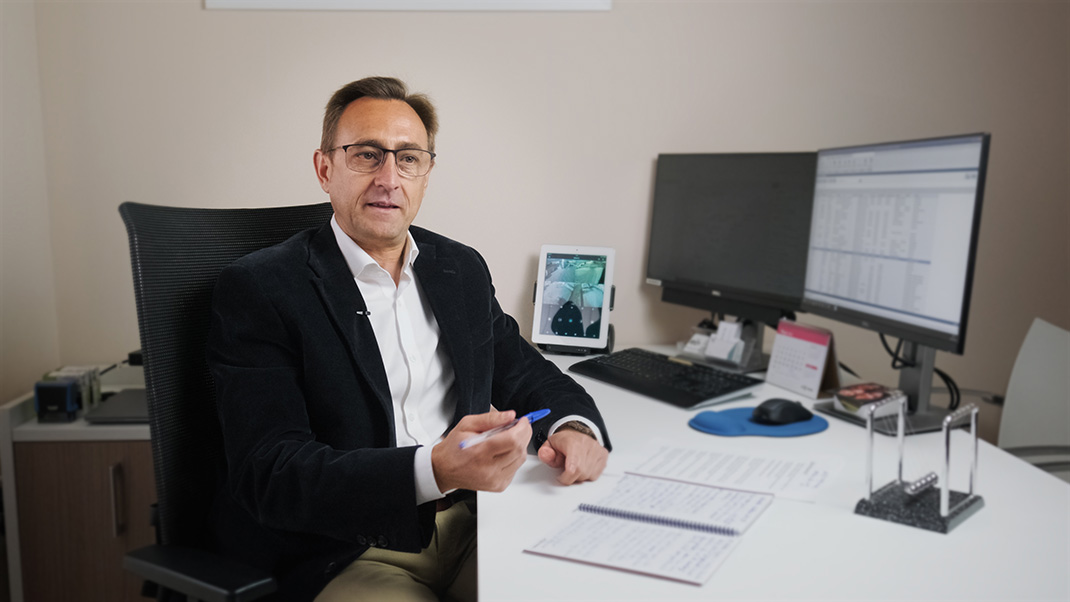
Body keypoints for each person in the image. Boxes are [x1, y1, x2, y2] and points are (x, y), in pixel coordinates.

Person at [206, 76, 611, 602]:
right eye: (367, 155)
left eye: (409, 159)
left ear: (427, 174)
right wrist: (431, 470)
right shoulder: (261, 288)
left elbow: (524, 371)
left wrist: (573, 426)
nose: (389, 179)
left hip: (478, 523)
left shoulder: (459, 268)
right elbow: (270, 471)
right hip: (347, 550)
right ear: (325, 169)